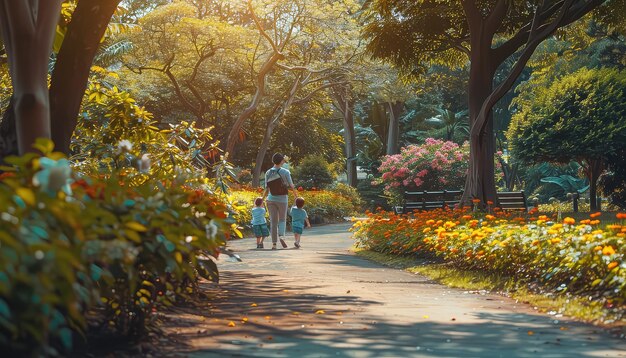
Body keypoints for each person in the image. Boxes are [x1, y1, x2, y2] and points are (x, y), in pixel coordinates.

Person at [263, 153, 298, 250]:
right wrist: (296, 196)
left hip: (270, 199)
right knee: (282, 219)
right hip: (282, 199)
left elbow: (266, 188)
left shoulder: (268, 172)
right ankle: (281, 236)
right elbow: (291, 185)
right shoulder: (285, 172)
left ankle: (274, 244)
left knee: (273, 222)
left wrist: (262, 199)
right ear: (282, 161)